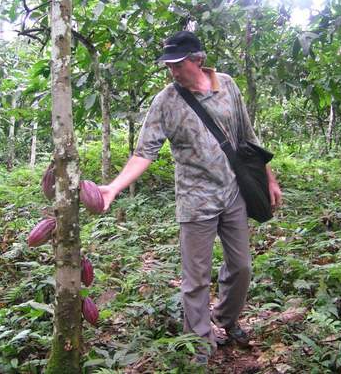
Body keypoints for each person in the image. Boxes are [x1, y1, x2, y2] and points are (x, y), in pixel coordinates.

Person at [99, 31, 282, 358]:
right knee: (195, 279)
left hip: (232, 192)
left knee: (241, 267)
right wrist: (114, 186)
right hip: (195, 200)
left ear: (197, 61)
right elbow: (145, 152)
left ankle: (225, 317)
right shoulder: (166, 101)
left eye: (177, 65)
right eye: (168, 66)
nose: (172, 72)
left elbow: (247, 137)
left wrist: (269, 177)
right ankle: (199, 342)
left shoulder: (227, 85)